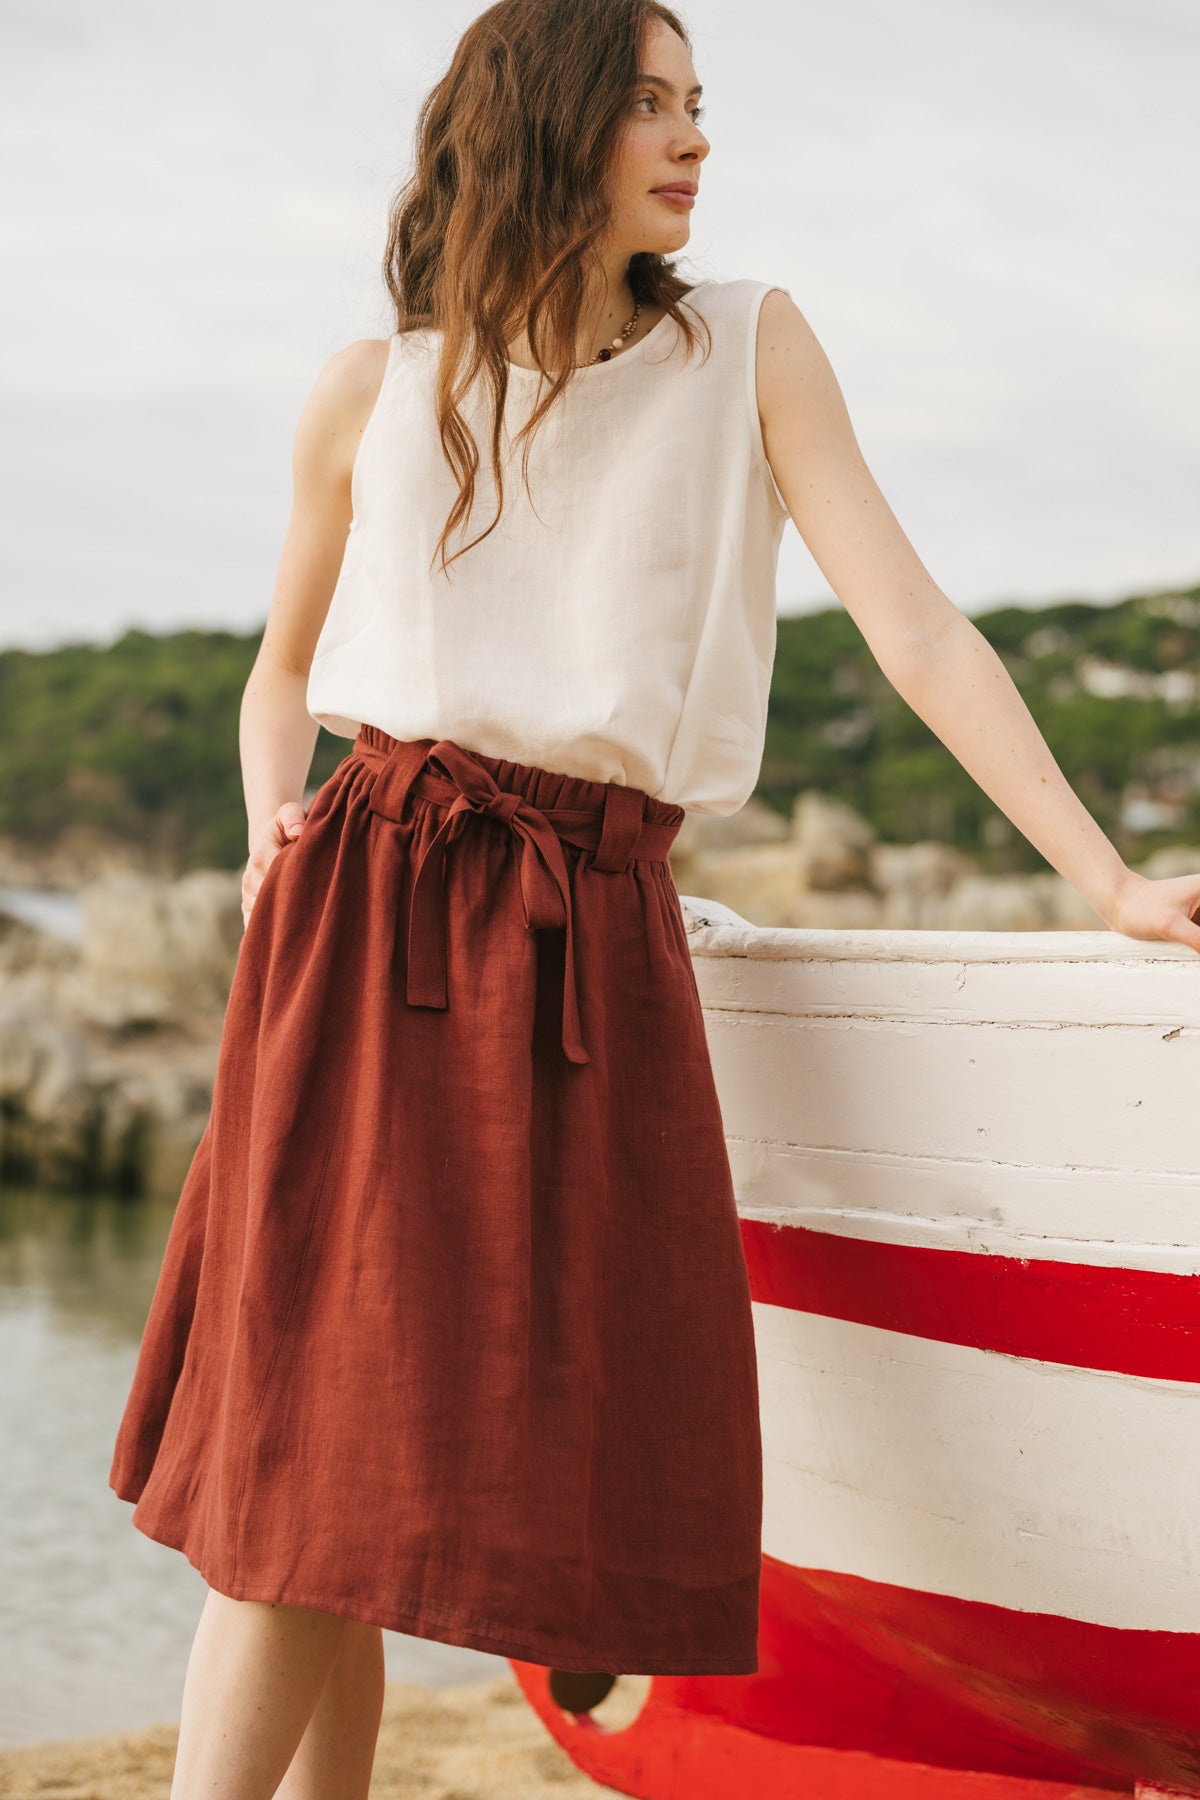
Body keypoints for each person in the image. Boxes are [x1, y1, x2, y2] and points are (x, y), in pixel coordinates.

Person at [109, 1, 1200, 1796]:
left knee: (363, 1471)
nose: (695, 141)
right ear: (544, 120)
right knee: (310, 1455)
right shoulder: (374, 388)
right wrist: (261, 827)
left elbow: (915, 627)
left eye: (704, 107)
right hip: (363, 904)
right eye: (650, 105)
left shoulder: (751, 348)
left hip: (585, 930)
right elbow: (279, 672)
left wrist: (1102, 874)